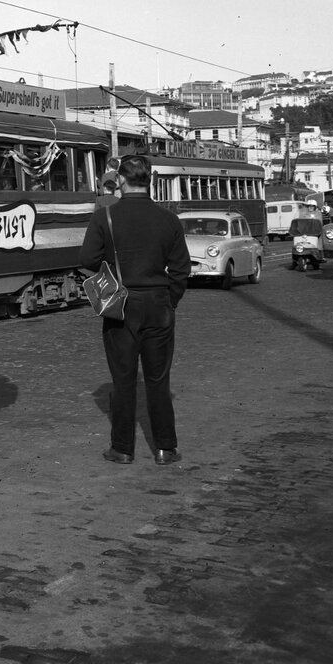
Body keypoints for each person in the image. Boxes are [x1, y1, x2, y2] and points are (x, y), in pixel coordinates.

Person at [79, 154, 191, 466]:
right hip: (158, 303)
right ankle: (165, 448)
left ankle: (122, 448)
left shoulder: (106, 217)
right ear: (150, 181)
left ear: (122, 181)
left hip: (121, 305)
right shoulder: (169, 219)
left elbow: (87, 259)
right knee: (158, 380)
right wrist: (170, 299)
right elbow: (181, 269)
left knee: (123, 379)